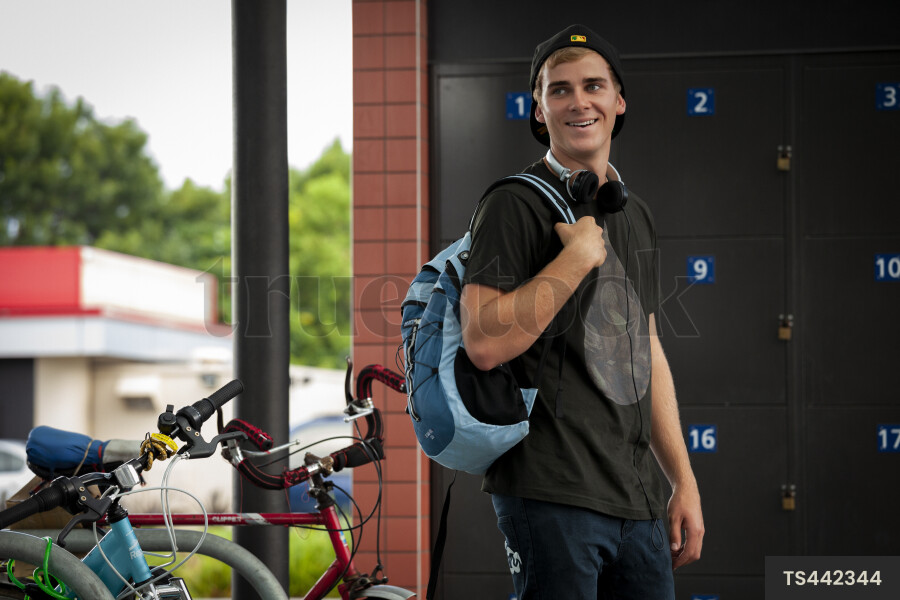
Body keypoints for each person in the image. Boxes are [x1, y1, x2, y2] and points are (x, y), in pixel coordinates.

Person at [459, 24, 704, 599]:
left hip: (637, 496)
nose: (578, 101)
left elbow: (645, 353)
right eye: (559, 89)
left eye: (593, 85)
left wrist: (682, 482)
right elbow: (484, 342)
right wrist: (575, 261)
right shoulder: (512, 204)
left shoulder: (634, 211)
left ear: (618, 101)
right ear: (540, 110)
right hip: (552, 491)